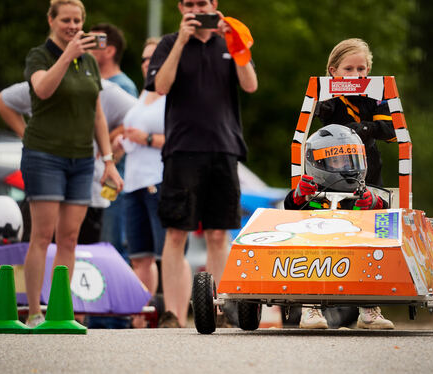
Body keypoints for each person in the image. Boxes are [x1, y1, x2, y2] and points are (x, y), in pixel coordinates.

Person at [145, 0, 258, 327]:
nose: (197, 9)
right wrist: (181, 41)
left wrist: (236, 43)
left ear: (214, 5)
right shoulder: (169, 42)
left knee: (218, 233)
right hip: (182, 149)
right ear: (181, 7)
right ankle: (174, 314)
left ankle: (221, 309)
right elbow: (160, 86)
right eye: (190, 4)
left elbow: (250, 84)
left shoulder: (230, 39)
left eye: (202, 3)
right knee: (176, 232)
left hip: (224, 148)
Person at [21, 0, 123, 328]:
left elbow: (98, 112)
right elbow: (43, 89)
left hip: (81, 160)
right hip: (45, 156)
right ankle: (35, 311)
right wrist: (67, 54)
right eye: (66, 19)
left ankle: (59, 310)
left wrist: (108, 161)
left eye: (78, 20)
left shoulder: (90, 62)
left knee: (69, 238)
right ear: (51, 21)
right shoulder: (39, 56)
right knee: (43, 235)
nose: (73, 26)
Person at [0, 78, 137, 244]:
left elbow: (134, 115)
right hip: (47, 188)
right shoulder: (44, 80)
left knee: (77, 252)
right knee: (41, 245)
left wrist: (108, 150)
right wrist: (31, 140)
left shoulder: (103, 87)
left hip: (88, 192)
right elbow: (3, 101)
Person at [112, 38, 193, 328]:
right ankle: (141, 317)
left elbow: (187, 138)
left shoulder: (175, 94)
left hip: (162, 179)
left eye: (153, 58)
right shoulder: (144, 94)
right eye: (144, 59)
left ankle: (178, 317)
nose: (147, 63)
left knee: (171, 252)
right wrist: (118, 145)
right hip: (134, 181)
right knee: (140, 258)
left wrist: (145, 139)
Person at [285, 124, 394, 330]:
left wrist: (374, 204)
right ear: (317, 163)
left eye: (349, 160)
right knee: (308, 248)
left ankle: (368, 310)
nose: (346, 167)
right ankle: (310, 309)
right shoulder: (311, 194)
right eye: (337, 161)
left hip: (354, 254)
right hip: (317, 255)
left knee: (372, 249)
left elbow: (386, 218)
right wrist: (299, 195)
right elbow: (289, 206)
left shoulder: (363, 195)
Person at [317, 38, 396, 187]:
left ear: (368, 70)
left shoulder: (378, 93)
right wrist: (321, 107)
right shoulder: (327, 95)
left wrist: (364, 128)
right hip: (333, 169)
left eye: (360, 69)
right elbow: (322, 113)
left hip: (370, 170)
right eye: (348, 69)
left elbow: (391, 130)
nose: (355, 75)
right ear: (333, 71)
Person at [88, 22, 137, 262]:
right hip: (102, 177)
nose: (88, 46)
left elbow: (133, 123)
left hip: (113, 178)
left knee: (110, 241)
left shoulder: (122, 86)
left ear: (110, 50)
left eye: (95, 42)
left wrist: (102, 142)